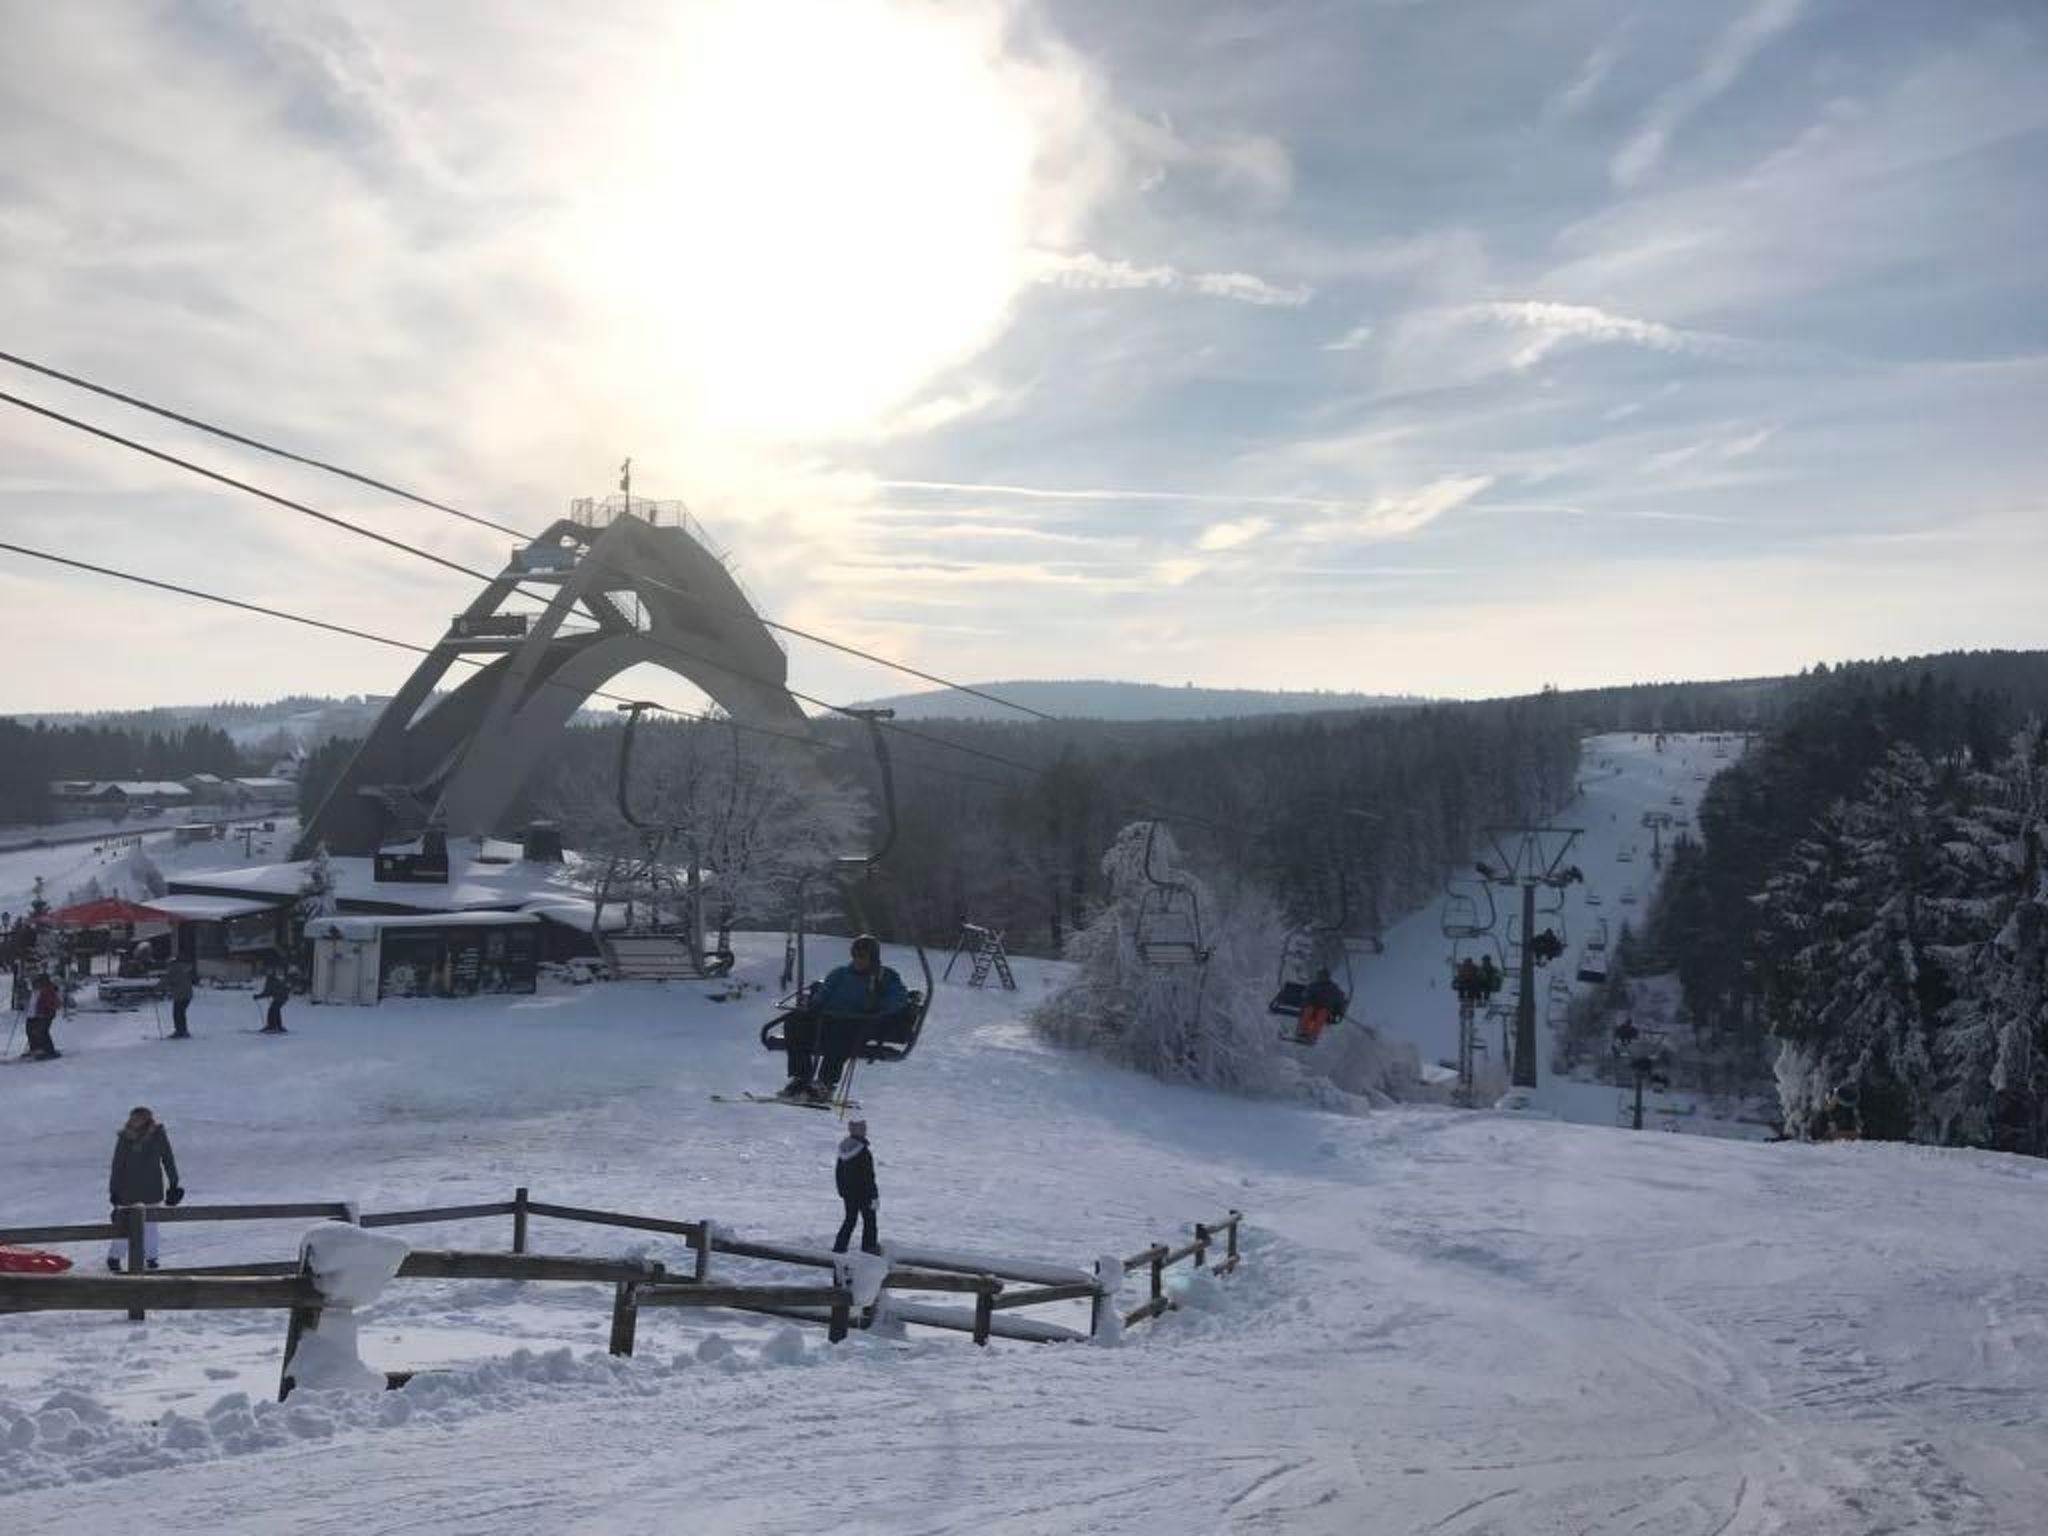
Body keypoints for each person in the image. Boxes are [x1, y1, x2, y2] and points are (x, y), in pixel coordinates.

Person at [779, 934, 910, 1103]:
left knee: (842, 1030)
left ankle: (825, 1084)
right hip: (828, 1020)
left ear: (873, 957)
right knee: (794, 1021)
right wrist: (814, 1005)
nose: (858, 960)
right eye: (855, 955)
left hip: (859, 1024)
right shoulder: (840, 974)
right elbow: (823, 994)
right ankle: (801, 1078)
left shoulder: (884, 977)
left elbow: (899, 998)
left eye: (862, 956)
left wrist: (880, 1003)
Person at [107, 1105, 183, 1271]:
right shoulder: (125, 1138)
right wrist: (114, 1190)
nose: (135, 1121)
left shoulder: (158, 1136)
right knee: (123, 1226)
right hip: (127, 1190)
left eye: (139, 1118)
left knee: (150, 1226)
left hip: (151, 1190)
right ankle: (114, 1257)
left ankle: (151, 1258)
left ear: (147, 1119)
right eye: (133, 1118)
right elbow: (117, 1165)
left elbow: (168, 1159)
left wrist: (174, 1183)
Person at [832, 1118, 880, 1255]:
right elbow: (868, 1176)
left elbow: (838, 1173)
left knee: (850, 1220)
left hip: (848, 1194)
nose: (865, 1130)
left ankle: (839, 1247)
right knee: (870, 1221)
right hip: (864, 1193)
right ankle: (869, 1248)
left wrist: (842, 1191)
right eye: (863, 1128)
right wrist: (874, 1195)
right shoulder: (863, 1152)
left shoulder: (843, 1149)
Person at [1297, 968, 1348, 1044]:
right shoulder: (1313, 986)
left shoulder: (1332, 988)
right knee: (1308, 1010)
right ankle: (1302, 1031)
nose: (1321, 978)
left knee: (1322, 1014)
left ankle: (1313, 1035)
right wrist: (1307, 1000)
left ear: (1327, 978)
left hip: (1324, 1008)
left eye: (1323, 977)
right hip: (1312, 1006)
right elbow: (1305, 994)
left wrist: (1339, 1010)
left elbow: (1340, 999)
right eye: (1320, 976)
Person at [22, 972, 60, 1060]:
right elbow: (32, 1002)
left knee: (42, 1032)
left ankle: (48, 1051)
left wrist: (45, 1012)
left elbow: (51, 1003)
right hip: (33, 1015)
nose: (35, 984)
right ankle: (35, 1049)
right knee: (31, 1031)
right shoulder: (36, 990)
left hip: (45, 1015)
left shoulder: (48, 990)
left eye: (38, 982)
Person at [164, 957, 195, 1039]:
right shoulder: (183, 969)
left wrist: (154, 990)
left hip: (181, 996)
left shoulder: (174, 970)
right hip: (187, 995)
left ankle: (180, 1031)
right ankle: (183, 1031)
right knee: (180, 1013)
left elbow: (165, 981)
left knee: (177, 1013)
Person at [255, 957, 289, 1033]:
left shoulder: (271, 980)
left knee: (272, 1010)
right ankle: (278, 1026)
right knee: (275, 1009)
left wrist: (258, 996)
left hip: (280, 997)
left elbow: (267, 992)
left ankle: (272, 1026)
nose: (267, 972)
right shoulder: (273, 979)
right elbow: (269, 992)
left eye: (268, 971)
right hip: (283, 997)